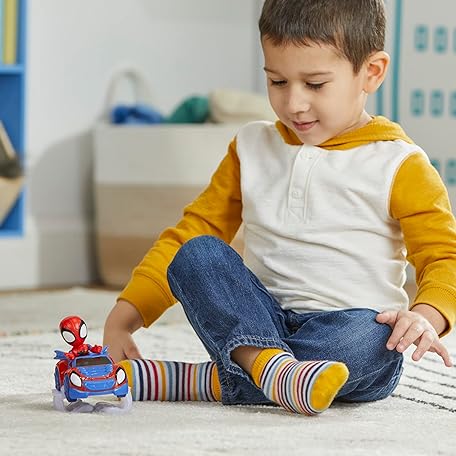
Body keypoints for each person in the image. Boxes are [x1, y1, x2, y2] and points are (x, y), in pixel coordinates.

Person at [103, 0, 455, 416]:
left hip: (346, 331)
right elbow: (194, 228)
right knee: (196, 254)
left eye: (315, 84)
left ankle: (221, 377)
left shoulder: (399, 162)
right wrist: (125, 316)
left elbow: (443, 257)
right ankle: (273, 369)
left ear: (371, 72)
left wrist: (426, 315)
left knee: (376, 338)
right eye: (277, 81)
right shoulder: (250, 146)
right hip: (257, 319)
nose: (293, 103)